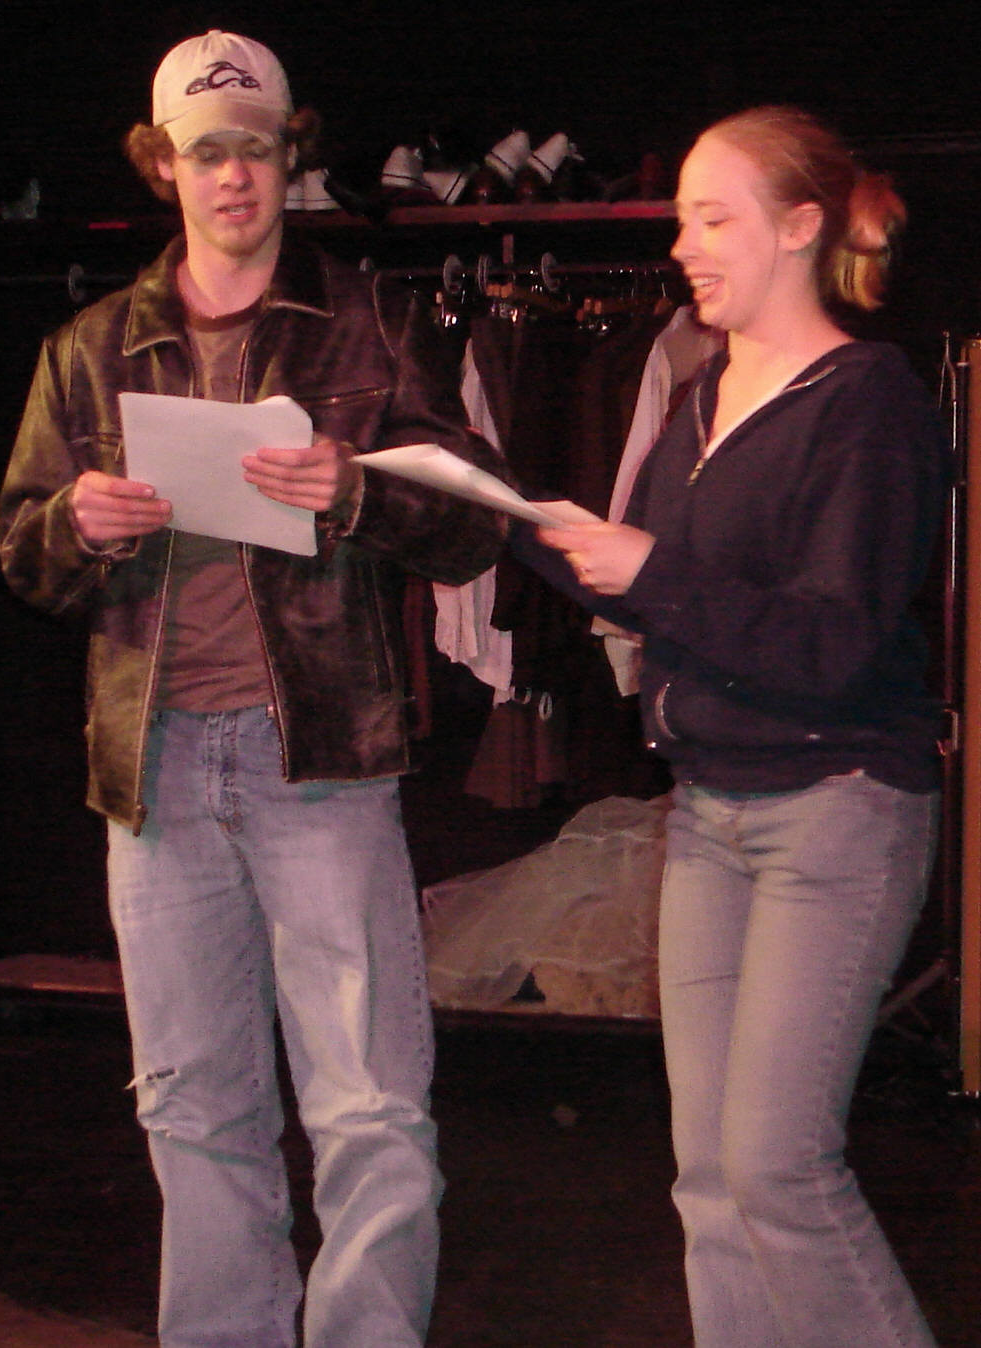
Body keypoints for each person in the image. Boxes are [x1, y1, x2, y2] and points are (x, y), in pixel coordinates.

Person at [0, 29, 510, 1348]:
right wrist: (76, 526)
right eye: (208, 151)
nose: (234, 175)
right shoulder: (89, 348)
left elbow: (475, 525)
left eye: (259, 149)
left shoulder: (370, 323)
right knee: (191, 1104)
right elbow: (22, 553)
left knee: (371, 1107)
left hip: (319, 762)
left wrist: (359, 490)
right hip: (156, 769)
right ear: (164, 165)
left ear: (291, 157)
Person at [516, 106, 946, 1346]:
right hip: (709, 815)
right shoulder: (702, 395)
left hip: (835, 813)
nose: (684, 247)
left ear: (801, 227)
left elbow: (829, 642)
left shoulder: (867, 401)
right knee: (709, 1179)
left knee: (778, 1170)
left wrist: (646, 569)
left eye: (714, 219)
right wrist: (500, 516)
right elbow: (659, 590)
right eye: (681, 220)